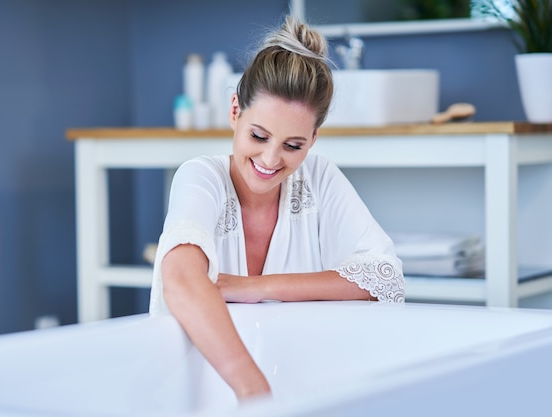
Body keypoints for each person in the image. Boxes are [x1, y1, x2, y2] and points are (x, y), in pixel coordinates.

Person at [149, 15, 405, 400]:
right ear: (235, 111)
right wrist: (255, 394)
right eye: (258, 135)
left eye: (293, 145)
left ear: (314, 139)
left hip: (292, 383)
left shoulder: (318, 178)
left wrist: (256, 288)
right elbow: (182, 281)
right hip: (202, 389)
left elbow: (385, 277)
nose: (270, 159)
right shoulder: (200, 177)